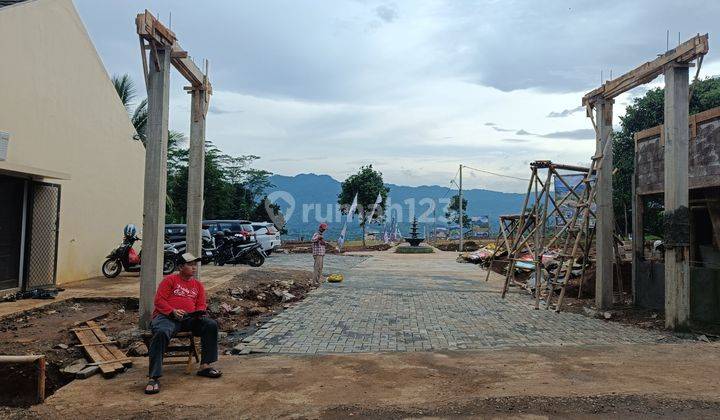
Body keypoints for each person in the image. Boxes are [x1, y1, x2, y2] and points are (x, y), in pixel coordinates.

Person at [144, 253, 222, 394]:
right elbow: (159, 301)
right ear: (180, 267)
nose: (194, 268)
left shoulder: (198, 285)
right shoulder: (170, 280)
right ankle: (153, 377)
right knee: (161, 332)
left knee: (210, 325)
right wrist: (172, 311)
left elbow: (201, 304)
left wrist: (199, 313)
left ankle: (204, 366)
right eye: (190, 265)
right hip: (167, 317)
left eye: (195, 265)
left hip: (189, 319)